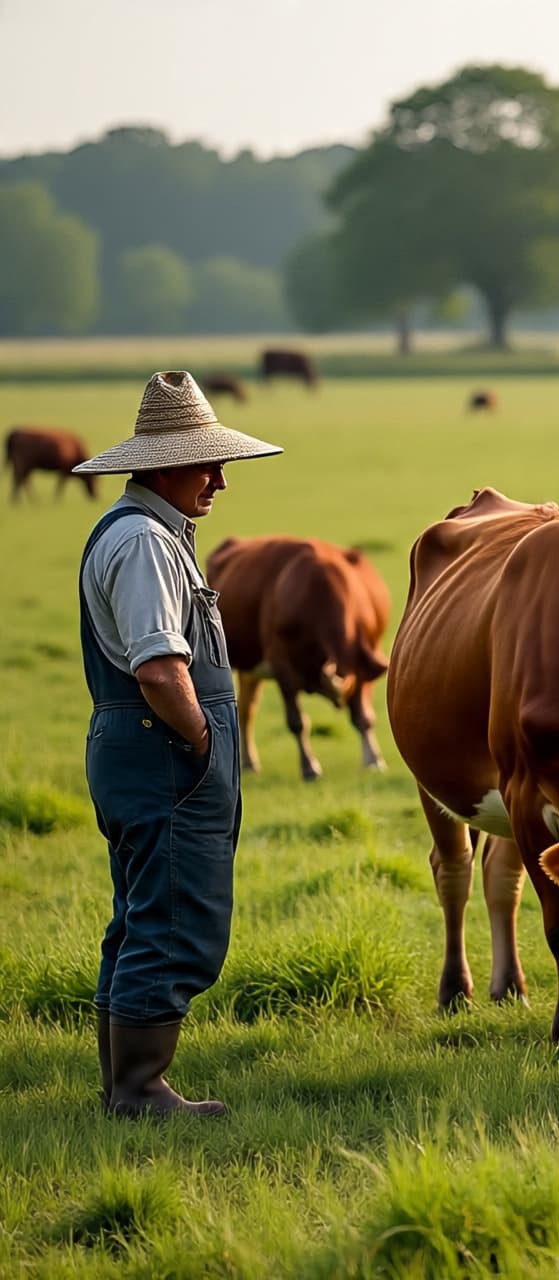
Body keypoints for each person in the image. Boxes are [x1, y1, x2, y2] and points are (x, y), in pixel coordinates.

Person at [73, 371, 282, 1117]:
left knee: (141, 915)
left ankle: (124, 1085)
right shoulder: (144, 543)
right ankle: (140, 1091)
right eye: (207, 463)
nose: (221, 480)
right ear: (163, 464)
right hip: (163, 752)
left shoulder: (150, 534)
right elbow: (161, 668)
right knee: (172, 921)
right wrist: (200, 742)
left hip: (144, 751)